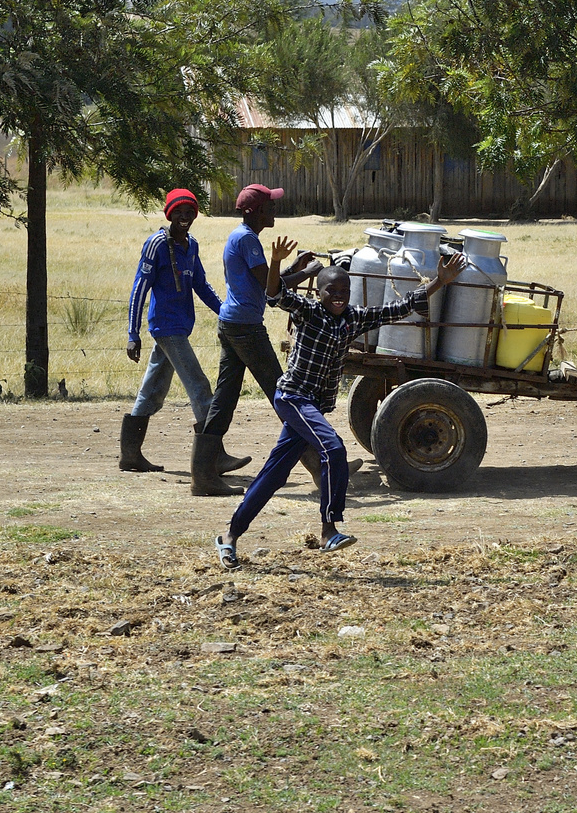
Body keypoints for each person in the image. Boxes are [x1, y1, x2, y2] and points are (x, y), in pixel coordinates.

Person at [214, 237, 465, 570]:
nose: (338, 297)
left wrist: (439, 282)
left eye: (344, 292)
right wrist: (275, 263)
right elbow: (274, 294)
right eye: (331, 291)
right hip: (293, 397)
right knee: (333, 450)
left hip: (312, 406)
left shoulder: (353, 319)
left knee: (272, 476)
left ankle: (228, 537)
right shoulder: (307, 311)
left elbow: (400, 307)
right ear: (319, 293)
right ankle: (328, 529)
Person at [193, 183, 320, 496]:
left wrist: (292, 267)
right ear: (257, 211)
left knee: (225, 398)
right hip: (246, 328)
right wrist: (307, 272)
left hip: (233, 324)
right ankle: (319, 462)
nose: (274, 210)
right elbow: (270, 287)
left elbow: (266, 278)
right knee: (282, 392)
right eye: (270, 206)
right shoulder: (248, 239)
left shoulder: (242, 236)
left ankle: (203, 474)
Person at [120, 189, 223, 473]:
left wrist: (226, 312)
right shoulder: (156, 244)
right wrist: (133, 333)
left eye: (190, 212)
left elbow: (201, 285)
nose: (185, 217)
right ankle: (214, 456)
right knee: (200, 387)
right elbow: (139, 288)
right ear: (169, 214)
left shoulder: (192, 245)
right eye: (178, 212)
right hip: (166, 328)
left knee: (152, 391)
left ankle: (130, 455)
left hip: (180, 327)